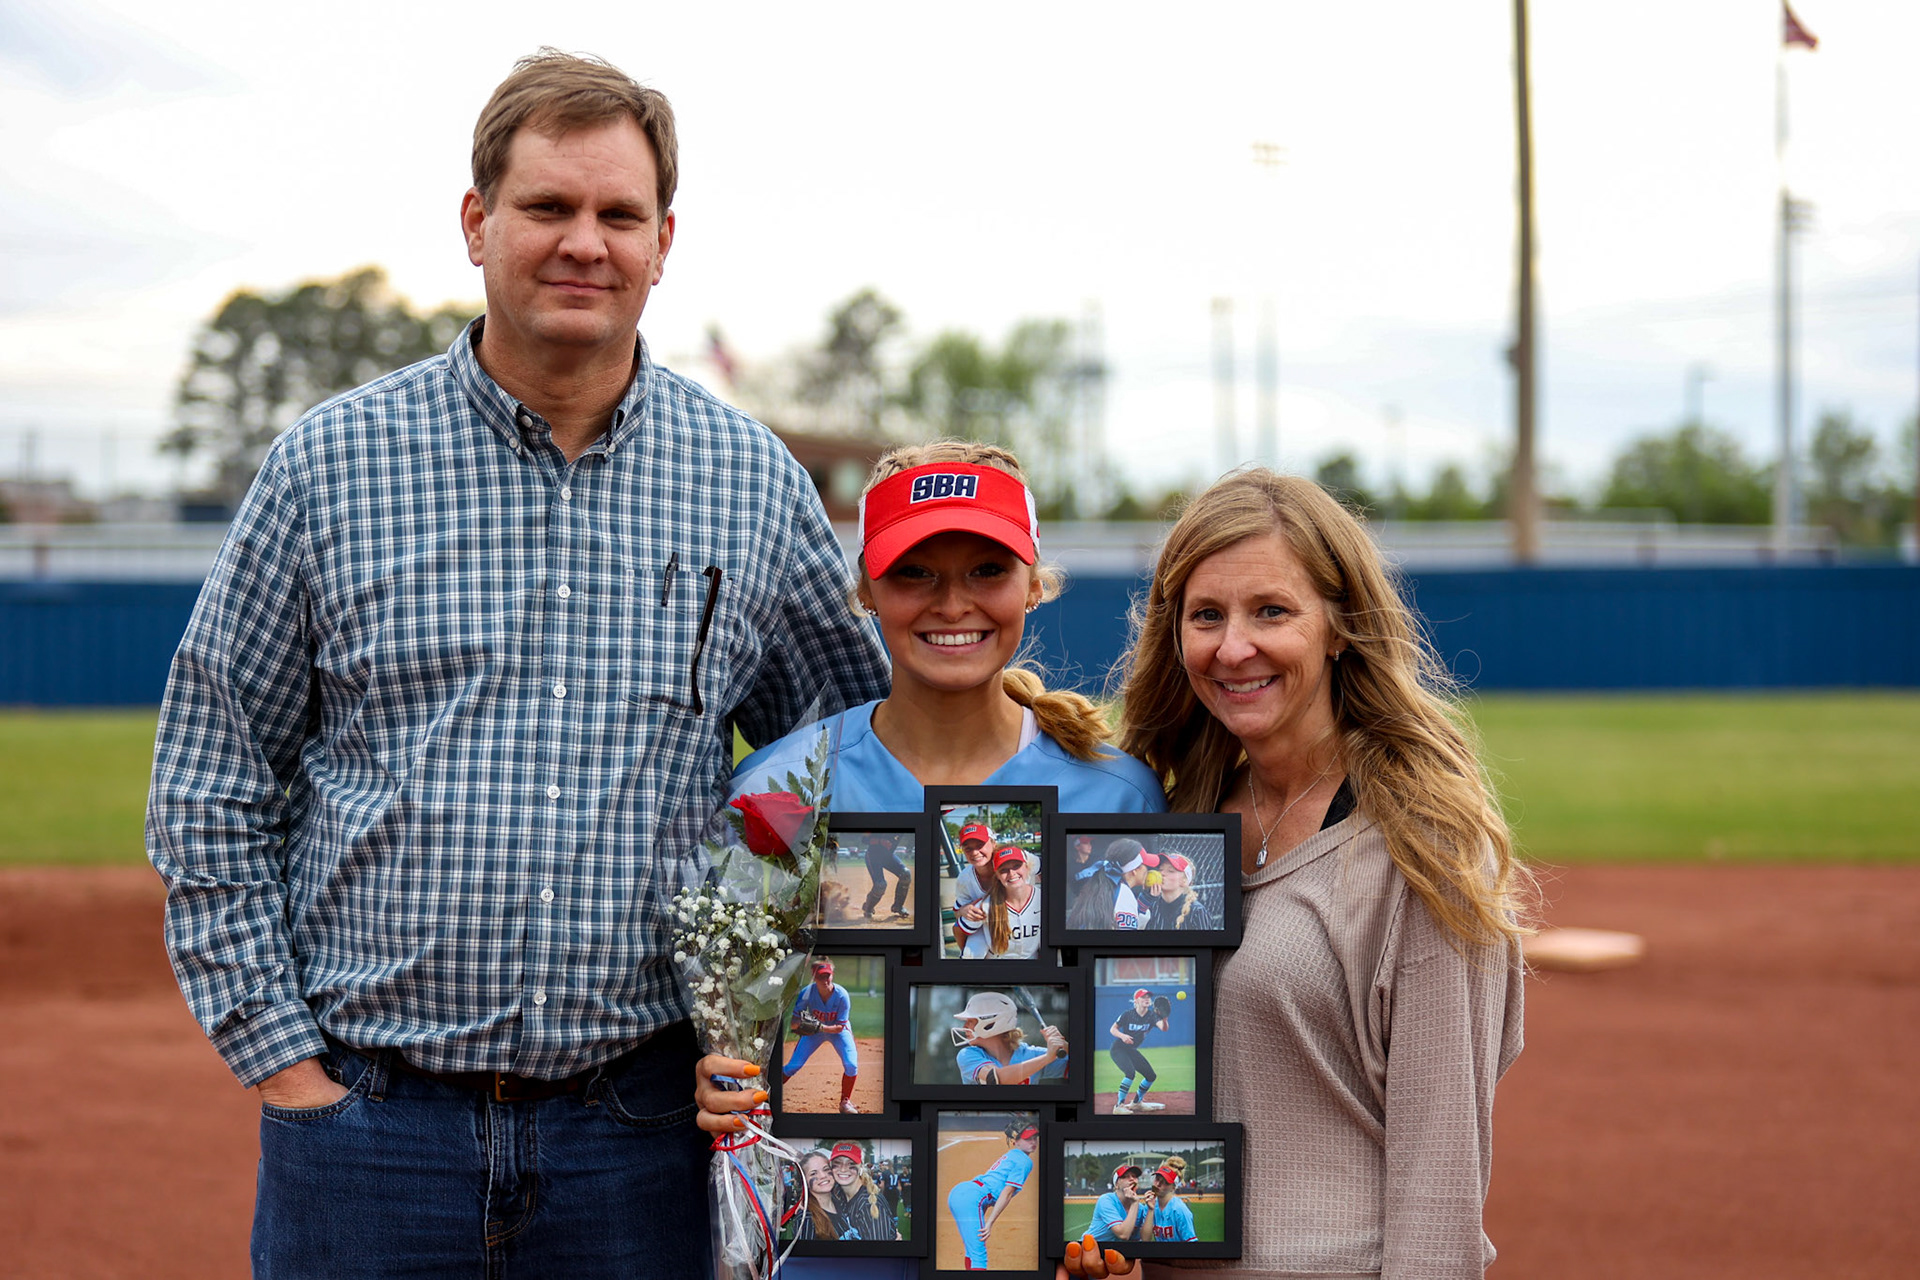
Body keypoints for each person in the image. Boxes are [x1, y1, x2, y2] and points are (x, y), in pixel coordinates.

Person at [142, 50, 890, 1278]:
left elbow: (859, 762)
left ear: (664, 242)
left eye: (618, 214)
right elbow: (212, 779)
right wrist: (289, 1067)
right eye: (548, 207)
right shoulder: (332, 464)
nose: (583, 242)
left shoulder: (750, 483)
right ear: (478, 224)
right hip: (370, 1130)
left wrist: (774, 1023)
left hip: (639, 1137)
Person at [693, 440, 1159, 1280]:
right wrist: (723, 1076)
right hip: (830, 1254)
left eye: (987, 569)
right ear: (865, 591)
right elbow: (735, 1002)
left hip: (1033, 1252)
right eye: (915, 574)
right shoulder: (782, 787)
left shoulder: (1117, 796)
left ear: (1034, 584)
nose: (954, 603)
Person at [1117, 469, 1529, 1279]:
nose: (1234, 647)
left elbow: (1438, 1181)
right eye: (1207, 616)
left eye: (1271, 610)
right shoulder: (1169, 833)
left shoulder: (1422, 844)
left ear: (1339, 626)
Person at [946, 1125, 1038, 1271]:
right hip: (971, 1199)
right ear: (1016, 1141)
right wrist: (989, 1223)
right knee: (979, 1255)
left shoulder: (1012, 1154)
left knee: (972, 1250)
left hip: (961, 1193)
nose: (1033, 1142)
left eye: (1035, 1138)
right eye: (1028, 1139)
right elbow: (1007, 1192)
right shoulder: (1025, 1161)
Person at [783, 959, 860, 1114]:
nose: (825, 980)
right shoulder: (806, 993)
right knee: (792, 1067)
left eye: (828, 976)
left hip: (838, 1031)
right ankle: (769, 1093)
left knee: (851, 1065)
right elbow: (793, 1023)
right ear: (813, 976)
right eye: (821, 977)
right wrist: (802, 1024)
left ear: (832, 975)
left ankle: (845, 1102)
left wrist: (820, 1027)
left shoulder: (842, 995)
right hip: (814, 1033)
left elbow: (839, 1027)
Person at [951, 991, 1069, 1085]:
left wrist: (1065, 1046)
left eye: (970, 1021)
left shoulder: (1030, 1054)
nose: (965, 1026)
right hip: (985, 1115)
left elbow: (1084, 1070)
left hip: (1029, 1116)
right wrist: (1047, 1058)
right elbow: (995, 1079)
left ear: (990, 1023)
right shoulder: (967, 1054)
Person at [958, 846, 1043, 959]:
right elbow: (959, 930)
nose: (1012, 873)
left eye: (1017, 866)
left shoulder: (1043, 899)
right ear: (997, 875)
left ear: (1027, 868)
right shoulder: (986, 905)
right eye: (1004, 870)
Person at [1066, 838, 1157, 931]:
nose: (1147, 869)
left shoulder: (1103, 886)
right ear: (1134, 870)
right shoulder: (1124, 895)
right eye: (1145, 865)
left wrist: (1144, 903)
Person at [1107, 988, 1170, 1114]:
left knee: (1151, 1076)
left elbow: (1163, 1028)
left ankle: (1136, 1103)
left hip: (1131, 1050)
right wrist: (1123, 1036)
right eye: (1143, 997)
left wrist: (1165, 1018)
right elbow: (1113, 1029)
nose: (1147, 999)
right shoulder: (1127, 1014)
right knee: (1130, 1073)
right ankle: (1118, 1106)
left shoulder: (1152, 1016)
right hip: (1118, 1049)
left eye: (1148, 997)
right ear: (1136, 1001)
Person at [828, 1141, 903, 1241]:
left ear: (861, 1167)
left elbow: (877, 1254)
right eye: (837, 1163)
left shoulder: (869, 1205)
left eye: (851, 1163)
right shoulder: (839, 1193)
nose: (843, 1169)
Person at [951, 821, 997, 949]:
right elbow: (956, 913)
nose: (975, 852)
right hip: (986, 929)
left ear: (993, 844)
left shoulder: (1010, 865)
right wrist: (963, 910)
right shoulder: (964, 878)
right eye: (968, 848)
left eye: (980, 845)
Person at [787, 1149, 851, 1242]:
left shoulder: (843, 1203)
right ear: (805, 1182)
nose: (823, 1176)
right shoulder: (806, 1219)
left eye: (826, 1169)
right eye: (813, 1173)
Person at [1087, 1163, 1154, 1243]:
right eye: (1125, 1177)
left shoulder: (1141, 1208)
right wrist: (1134, 1203)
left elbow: (1145, 1239)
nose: (1132, 1179)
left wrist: (1150, 1209)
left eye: (1134, 1176)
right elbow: (1123, 1235)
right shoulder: (1106, 1200)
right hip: (1092, 1248)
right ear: (1116, 1185)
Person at [1146, 852, 1214, 931]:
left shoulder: (1196, 911)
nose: (1162, 873)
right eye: (1160, 869)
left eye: (1170, 871)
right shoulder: (1151, 906)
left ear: (1184, 881)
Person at [862, 831, 913, 921]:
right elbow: (864, 839)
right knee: (880, 885)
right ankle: (868, 908)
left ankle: (898, 906)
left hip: (888, 857)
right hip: (873, 856)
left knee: (906, 874)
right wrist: (880, 841)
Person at [1145, 1159, 1198, 1243]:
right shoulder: (1151, 1205)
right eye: (1157, 1179)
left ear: (1173, 1187)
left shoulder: (1180, 1210)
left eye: (1165, 1182)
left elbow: (1192, 1245)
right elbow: (1145, 1240)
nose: (1158, 1184)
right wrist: (1150, 1210)